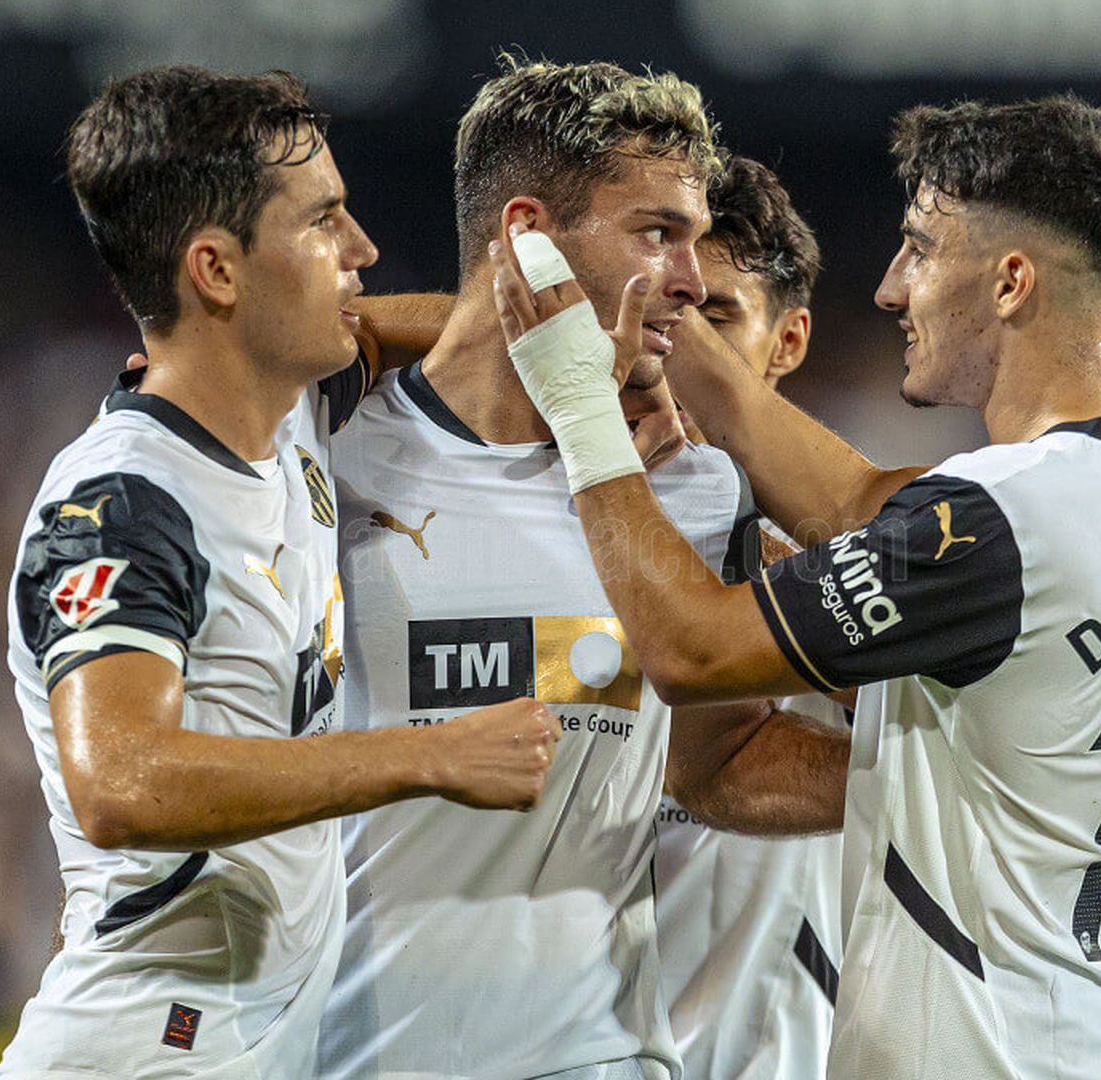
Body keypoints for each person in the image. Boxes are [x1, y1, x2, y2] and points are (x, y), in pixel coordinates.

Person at [494, 95, 1101, 1079]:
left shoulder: (1000, 525)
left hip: (999, 1053)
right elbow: (854, 501)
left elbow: (691, 652)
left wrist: (579, 404)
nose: (888, 287)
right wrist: (658, 308)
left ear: (1010, 282)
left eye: (920, 250)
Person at [0, 66, 560, 1079]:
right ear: (216, 271)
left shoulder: (292, 415)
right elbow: (119, 779)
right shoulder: (123, 503)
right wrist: (426, 755)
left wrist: (584, 350)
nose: (362, 250)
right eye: (323, 222)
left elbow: (408, 330)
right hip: (145, 1053)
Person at [315, 57, 847, 1080]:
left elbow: (713, 761)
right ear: (526, 234)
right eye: (657, 234)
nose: (687, 281)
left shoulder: (695, 493)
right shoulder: (322, 456)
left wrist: (937, 787)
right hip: (348, 1055)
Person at [652, 154, 846, 1080]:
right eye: (660, 308)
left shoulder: (843, 552)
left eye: (714, 317)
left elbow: (954, 721)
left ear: (788, 340)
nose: (670, 348)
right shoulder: (521, 512)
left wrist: (747, 563)